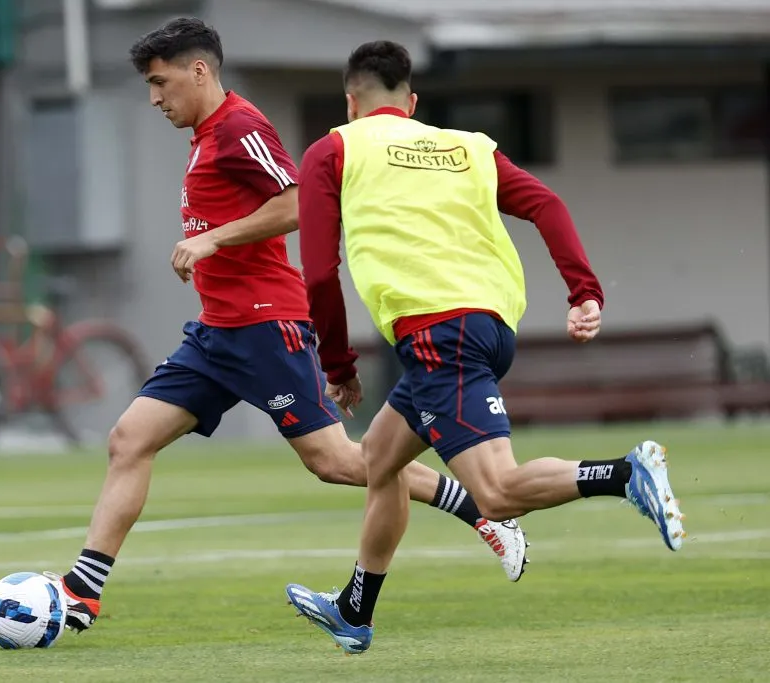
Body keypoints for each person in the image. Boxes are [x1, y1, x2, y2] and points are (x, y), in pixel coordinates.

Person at [43, 20, 529, 635]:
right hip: (216, 334)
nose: (154, 98)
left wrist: (213, 239)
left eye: (160, 82)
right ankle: (83, 592)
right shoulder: (203, 136)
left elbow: (297, 203)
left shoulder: (240, 128)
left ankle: (484, 510)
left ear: (200, 71)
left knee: (340, 462)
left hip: (267, 327)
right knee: (128, 439)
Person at [285, 40, 686, 655]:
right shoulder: (467, 146)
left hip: (438, 335)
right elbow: (545, 205)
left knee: (496, 493)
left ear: (350, 102)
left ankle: (628, 473)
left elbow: (317, 274)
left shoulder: (334, 149)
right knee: (380, 461)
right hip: (488, 327)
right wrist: (584, 291)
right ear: (413, 104)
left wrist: (338, 366)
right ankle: (354, 609)